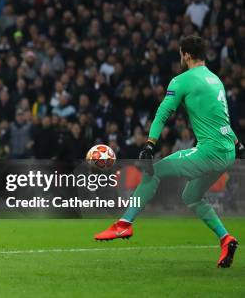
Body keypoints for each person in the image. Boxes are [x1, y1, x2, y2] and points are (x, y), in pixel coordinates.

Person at [94, 35, 245, 268]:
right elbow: (221, 118)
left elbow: (162, 114)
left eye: (180, 54)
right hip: (227, 152)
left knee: (153, 171)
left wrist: (149, 145)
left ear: (185, 54)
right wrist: (237, 144)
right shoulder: (215, 80)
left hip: (210, 152)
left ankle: (124, 223)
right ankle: (226, 239)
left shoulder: (181, 80)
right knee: (191, 197)